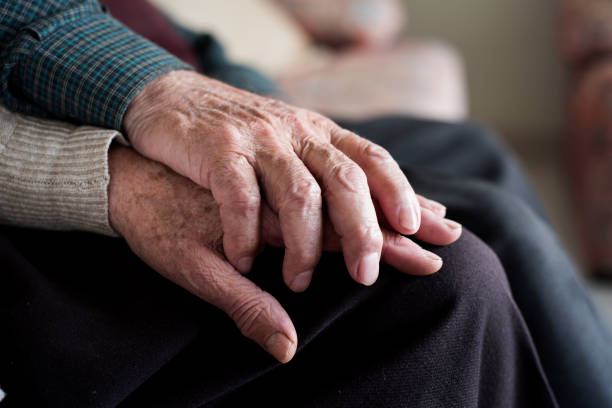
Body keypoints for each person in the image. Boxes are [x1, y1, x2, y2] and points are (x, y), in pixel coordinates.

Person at [0, 0, 609, 406]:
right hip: (68, 166)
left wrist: (259, 105)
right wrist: (108, 170)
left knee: (473, 155)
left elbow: (187, 40)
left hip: (168, 106)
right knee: (440, 271)